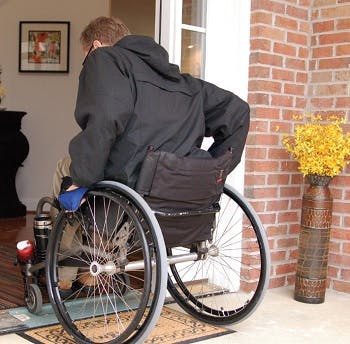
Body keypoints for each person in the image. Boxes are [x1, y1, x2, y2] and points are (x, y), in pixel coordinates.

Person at [53, 16, 250, 291]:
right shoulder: (185, 83)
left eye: (85, 56)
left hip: (129, 184)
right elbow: (239, 112)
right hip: (174, 186)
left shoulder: (106, 60)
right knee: (92, 169)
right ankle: (103, 254)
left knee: (67, 170)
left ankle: (64, 275)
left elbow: (105, 120)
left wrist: (81, 178)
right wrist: (213, 172)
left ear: (96, 46)